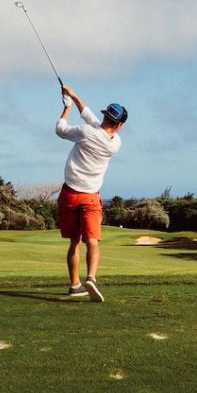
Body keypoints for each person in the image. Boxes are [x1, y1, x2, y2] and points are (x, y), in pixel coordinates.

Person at [55, 84, 126, 302]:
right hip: (91, 197)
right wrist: (75, 97)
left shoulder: (86, 133)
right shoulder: (115, 143)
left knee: (74, 242)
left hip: (69, 194)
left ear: (107, 116)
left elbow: (61, 129)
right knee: (92, 240)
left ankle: (75, 285)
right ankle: (92, 278)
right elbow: (92, 120)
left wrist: (67, 107)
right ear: (119, 125)